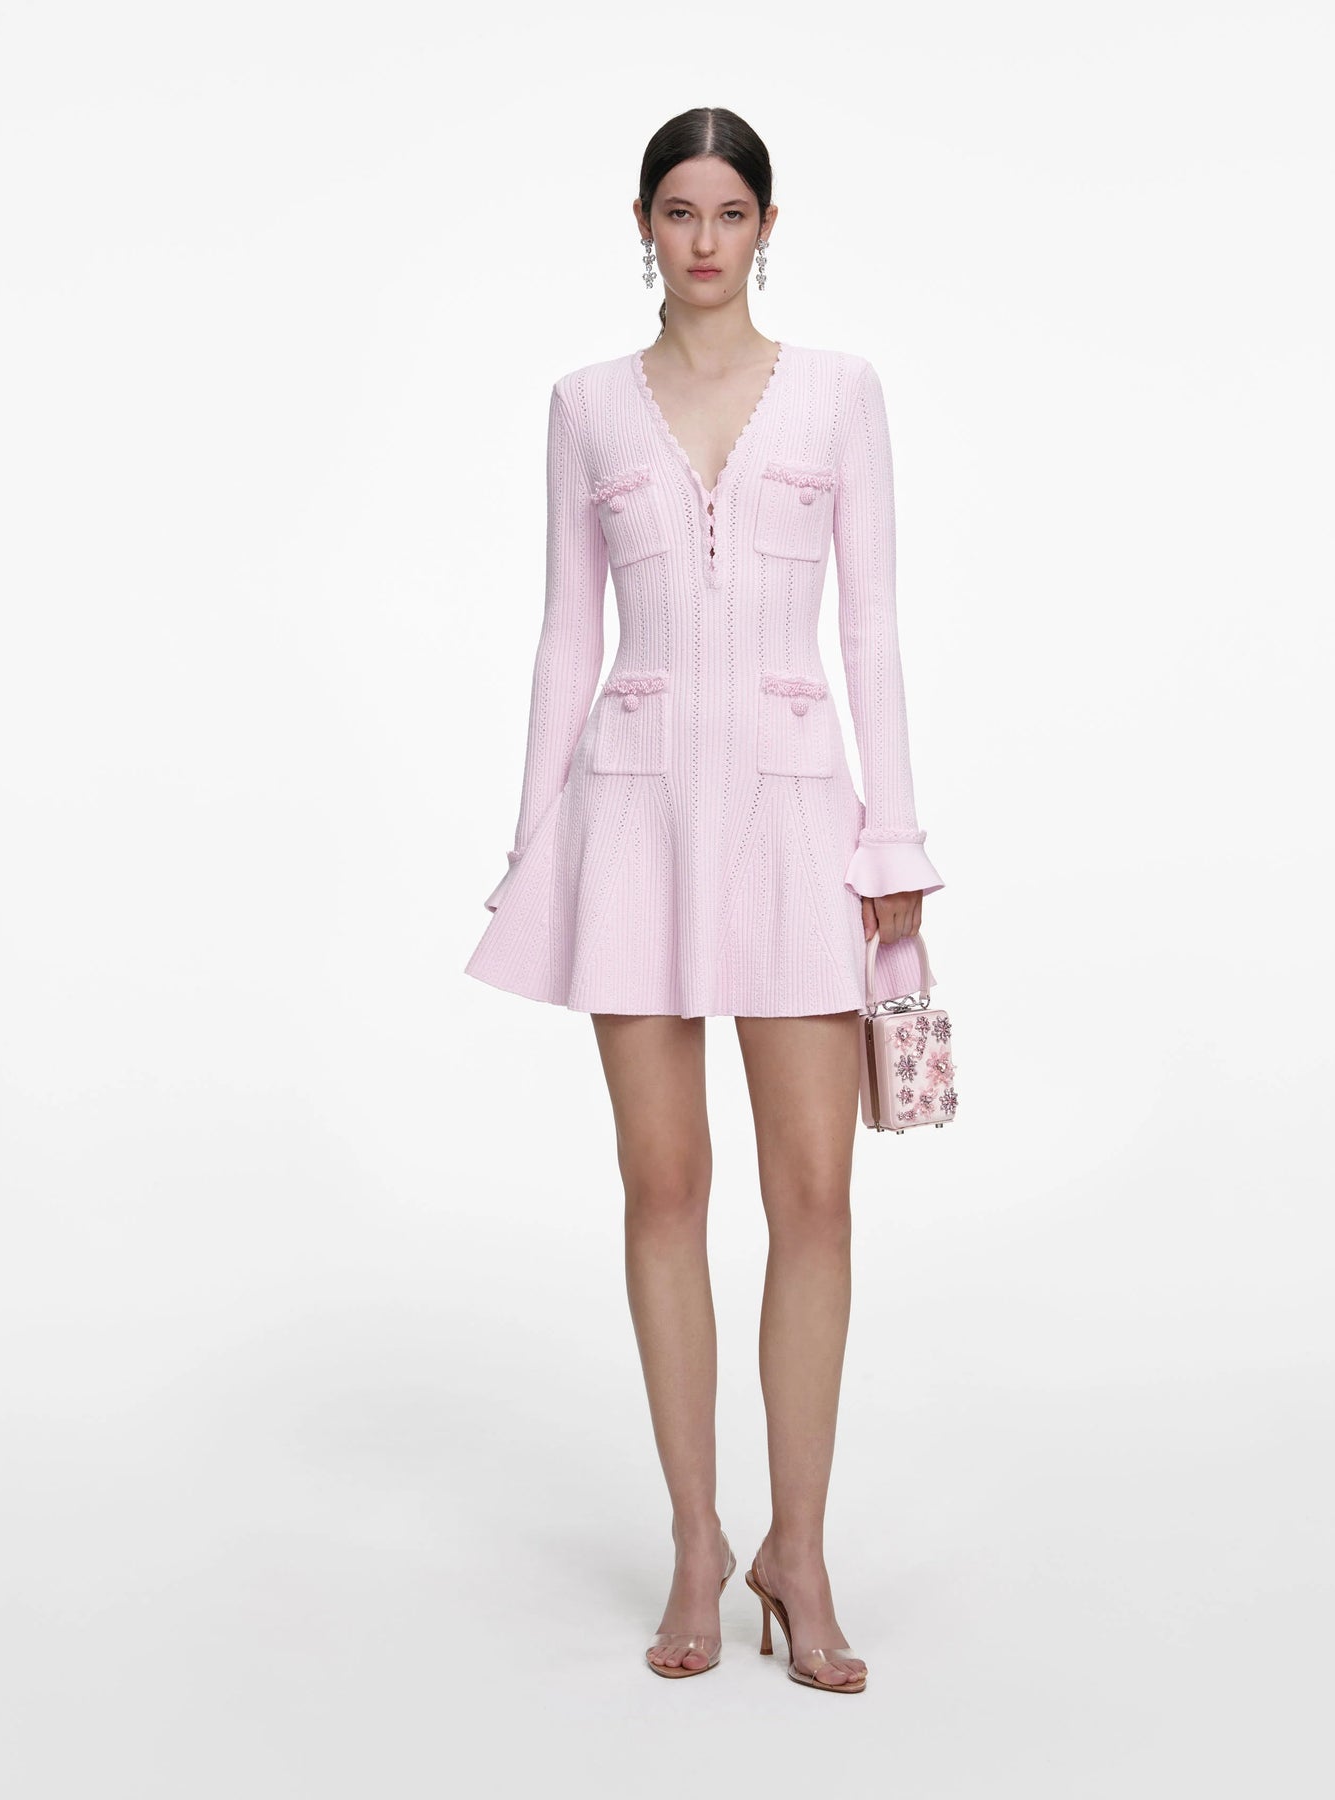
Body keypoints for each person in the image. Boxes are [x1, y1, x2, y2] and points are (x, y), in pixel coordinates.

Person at [462, 106, 946, 1693]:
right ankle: (694, 1538)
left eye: (730, 212)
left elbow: (870, 629)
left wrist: (896, 842)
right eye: (679, 210)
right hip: (632, 821)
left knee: (815, 1198)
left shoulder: (843, 393)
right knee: (662, 1188)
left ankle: (799, 1552)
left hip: (803, 822)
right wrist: (534, 839)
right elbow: (565, 632)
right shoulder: (585, 407)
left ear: (767, 227)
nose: (705, 239)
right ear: (643, 225)